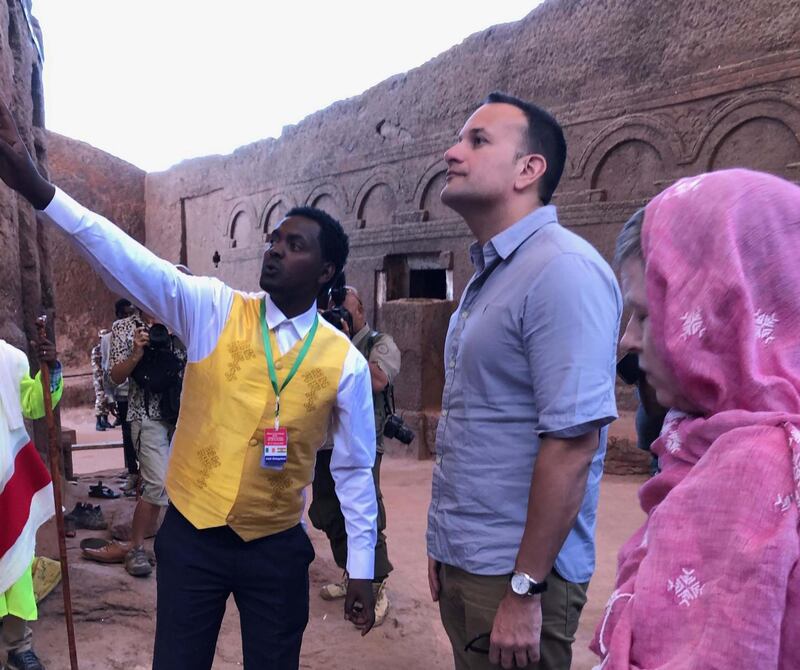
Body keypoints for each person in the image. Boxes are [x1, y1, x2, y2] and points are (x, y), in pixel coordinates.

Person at [0, 97, 378, 669]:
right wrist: (39, 191)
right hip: (193, 539)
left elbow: (352, 468)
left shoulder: (344, 362)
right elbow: (129, 259)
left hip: (275, 547)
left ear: (326, 272)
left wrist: (363, 569)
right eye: (273, 239)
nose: (275, 249)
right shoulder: (215, 309)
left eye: (294, 245)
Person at [426, 91, 621, 670]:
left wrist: (525, 588)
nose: (451, 152)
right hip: (473, 561)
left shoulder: (562, 269)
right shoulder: (491, 277)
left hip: (518, 579)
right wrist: (448, 546)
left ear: (528, 169)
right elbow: (481, 424)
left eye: (477, 140)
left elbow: (573, 444)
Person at [592, 169, 800, 669]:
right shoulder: (741, 441)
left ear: (720, 312)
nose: (627, 340)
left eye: (646, 315)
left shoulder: (752, 467)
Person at [310, 285, 400, 626]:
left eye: (345, 312)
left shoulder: (380, 342)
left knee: (365, 512)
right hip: (325, 442)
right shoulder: (323, 338)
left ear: (360, 311)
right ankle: (353, 572)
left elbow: (377, 379)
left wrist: (343, 343)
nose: (339, 318)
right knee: (326, 510)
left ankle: (376, 585)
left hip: (363, 443)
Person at [85, 309, 187, 576]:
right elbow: (115, 377)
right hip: (146, 415)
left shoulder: (182, 318)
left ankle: (172, 545)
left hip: (184, 413)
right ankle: (136, 547)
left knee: (184, 483)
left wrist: (180, 336)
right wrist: (136, 353)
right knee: (157, 482)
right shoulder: (124, 327)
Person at [0, 333, 63, 670]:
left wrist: (49, 370)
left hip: (8, 480)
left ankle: (17, 645)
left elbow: (35, 404)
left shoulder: (9, 358)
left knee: (16, 565)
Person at [111, 298, 138, 491]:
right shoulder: (118, 331)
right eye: (125, 312)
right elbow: (109, 369)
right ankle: (133, 472)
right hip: (124, 392)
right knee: (129, 434)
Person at [90, 328, 113, 431]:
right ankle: (98, 422)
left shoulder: (109, 348)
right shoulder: (97, 350)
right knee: (100, 398)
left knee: (107, 398)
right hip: (99, 377)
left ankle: (105, 420)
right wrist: (101, 376)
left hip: (107, 377)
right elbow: (96, 366)